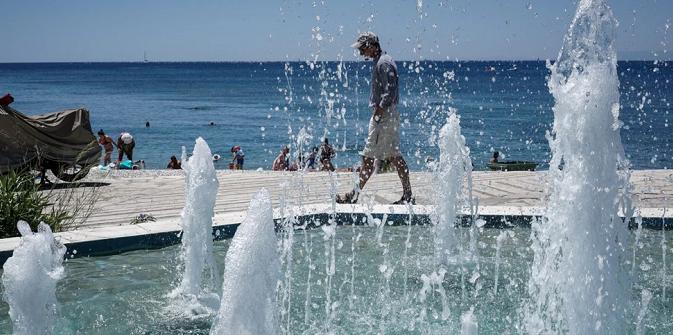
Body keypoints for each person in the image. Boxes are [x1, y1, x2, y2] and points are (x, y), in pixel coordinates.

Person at [337, 32, 414, 205]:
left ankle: (353, 196)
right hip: (386, 114)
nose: (360, 52)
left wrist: (378, 113)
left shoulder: (384, 63)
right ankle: (407, 195)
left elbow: (390, 91)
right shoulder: (381, 61)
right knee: (392, 156)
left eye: (362, 48)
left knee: (371, 158)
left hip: (384, 116)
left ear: (371, 45)